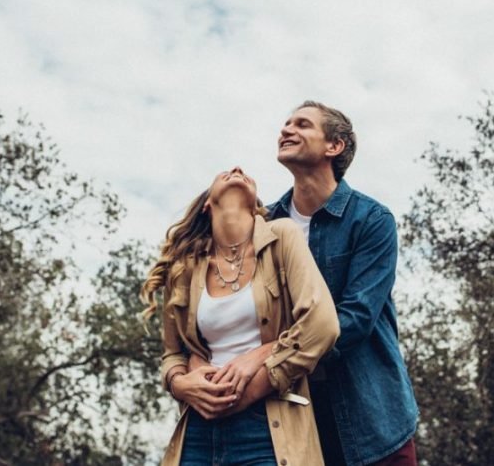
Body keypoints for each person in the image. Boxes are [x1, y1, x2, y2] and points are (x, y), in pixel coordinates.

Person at [141, 166, 339, 466]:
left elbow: (321, 325)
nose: (236, 169)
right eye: (223, 172)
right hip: (198, 427)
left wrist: (258, 374)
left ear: (256, 204)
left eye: (245, 172)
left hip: (269, 425)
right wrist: (179, 384)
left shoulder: (282, 237)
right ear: (208, 204)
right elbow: (173, 354)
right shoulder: (183, 267)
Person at [268, 101, 419, 466]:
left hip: (371, 420)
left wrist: (268, 365)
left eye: (302, 124)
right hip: (290, 420)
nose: (286, 130)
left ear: (334, 146)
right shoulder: (264, 225)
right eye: (286, 123)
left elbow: (355, 317)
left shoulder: (371, 220)